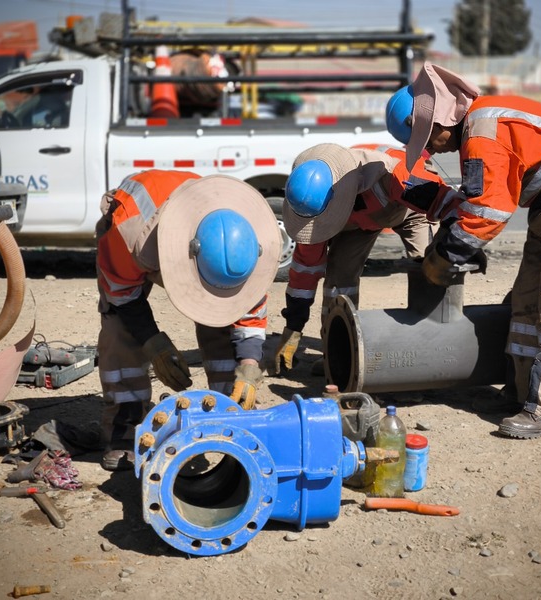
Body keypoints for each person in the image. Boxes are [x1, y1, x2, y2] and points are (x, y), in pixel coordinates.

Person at [385, 61, 541, 439]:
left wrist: (445, 255)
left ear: (440, 121)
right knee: (525, 302)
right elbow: (478, 201)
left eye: (427, 140)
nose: (430, 148)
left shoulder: (482, 130)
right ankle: (519, 393)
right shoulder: (479, 128)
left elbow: (489, 211)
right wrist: (458, 241)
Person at [95, 170, 281, 470]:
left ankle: (231, 414)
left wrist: (248, 368)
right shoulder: (126, 233)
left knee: (223, 318)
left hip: (195, 238)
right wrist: (153, 344)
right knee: (119, 329)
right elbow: (122, 296)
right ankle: (125, 429)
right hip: (140, 232)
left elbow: (250, 316)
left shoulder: (248, 245)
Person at [268, 142, 459, 377]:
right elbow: (305, 271)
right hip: (362, 222)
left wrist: (460, 241)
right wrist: (293, 328)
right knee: (339, 279)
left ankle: (430, 357)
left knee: (428, 271)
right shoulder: (311, 209)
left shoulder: (396, 171)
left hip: (412, 212)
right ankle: (337, 353)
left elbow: (446, 202)